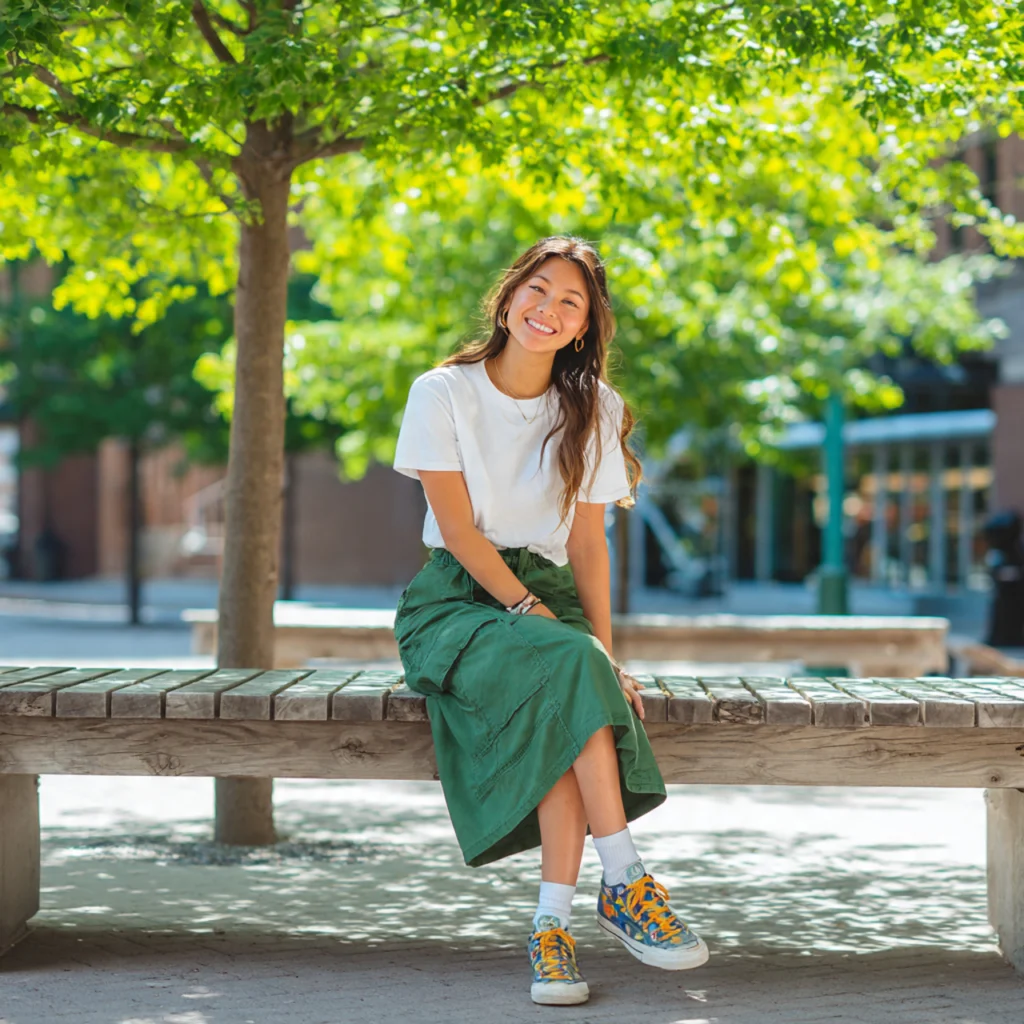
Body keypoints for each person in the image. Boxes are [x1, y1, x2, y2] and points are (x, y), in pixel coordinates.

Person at [392, 235, 709, 1006]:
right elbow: (460, 532)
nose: (549, 309)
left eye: (571, 302)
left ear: (583, 326)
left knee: (570, 691)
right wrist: (537, 615)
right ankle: (627, 879)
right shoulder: (443, 391)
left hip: (551, 603)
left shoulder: (594, 406)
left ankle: (551, 929)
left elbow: (586, 543)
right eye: (539, 290)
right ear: (508, 297)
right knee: (566, 669)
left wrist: (602, 649)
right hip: (456, 599)